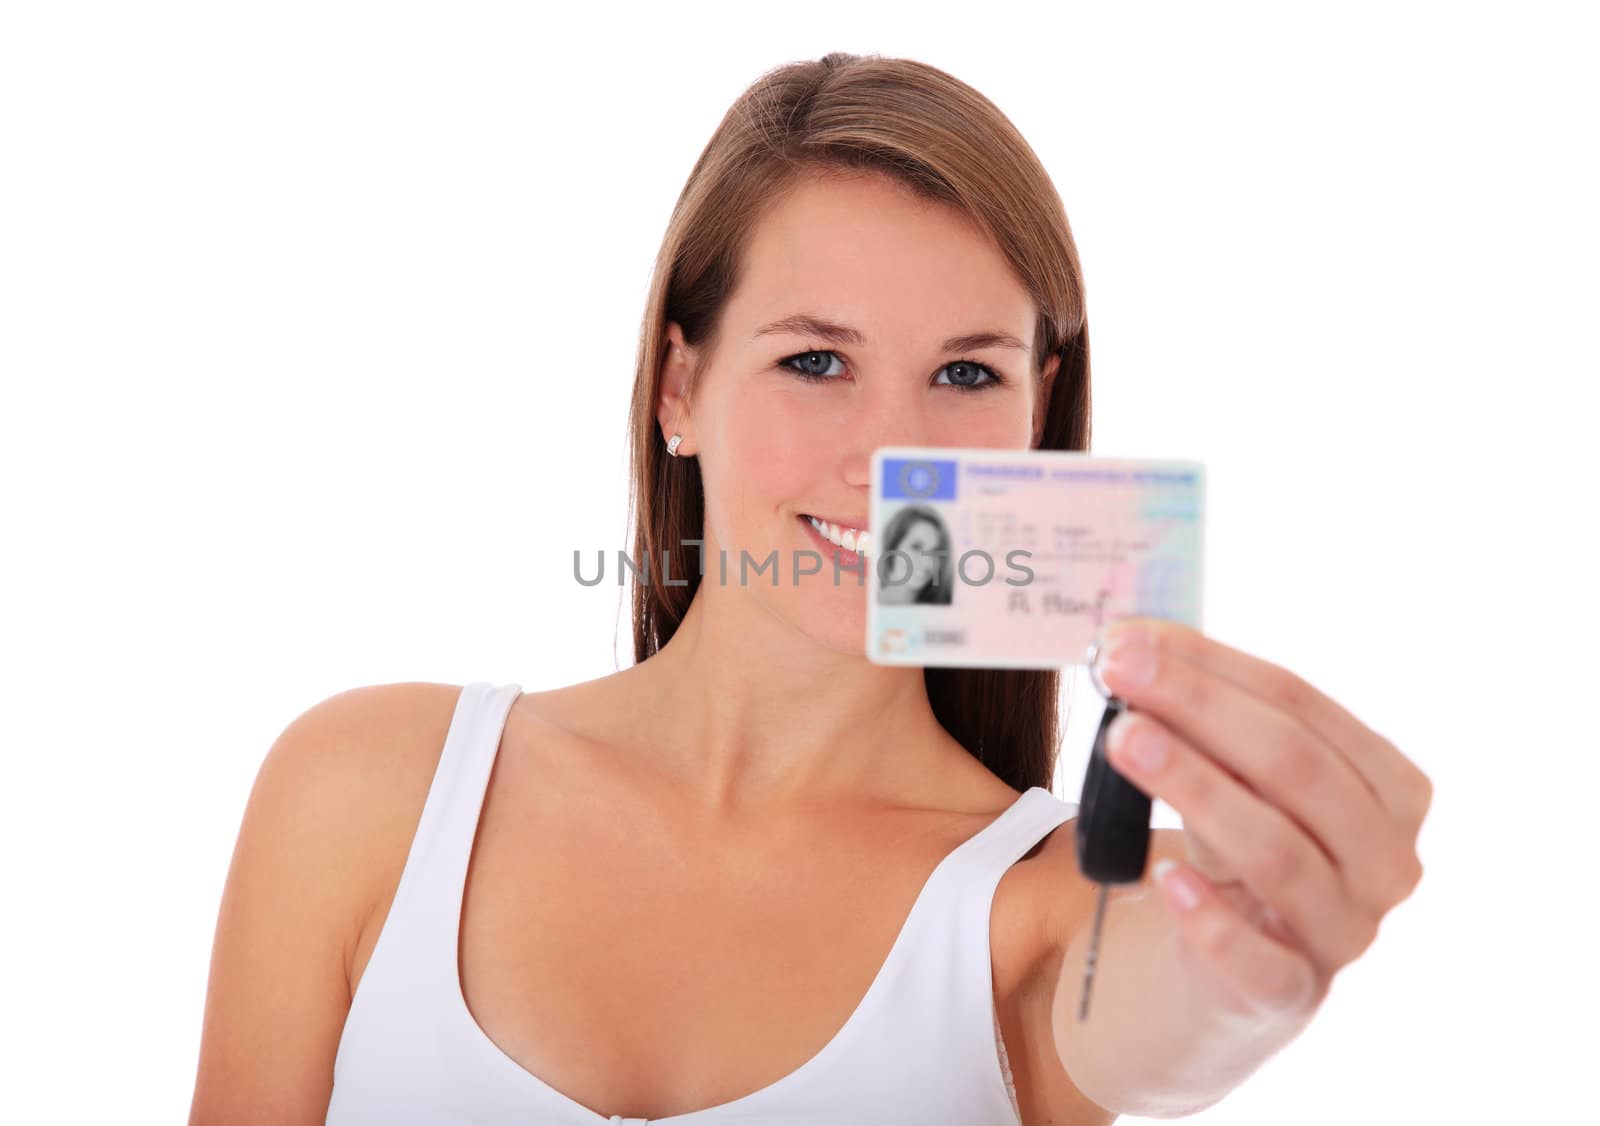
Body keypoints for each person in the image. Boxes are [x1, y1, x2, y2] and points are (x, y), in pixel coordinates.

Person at [189, 52, 1432, 1125]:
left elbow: (1154, 1008)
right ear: (679, 386)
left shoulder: (1041, 904)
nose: (888, 457)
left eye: (964, 375)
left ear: (1038, 413)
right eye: (817, 358)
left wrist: (1258, 965)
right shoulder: (368, 790)